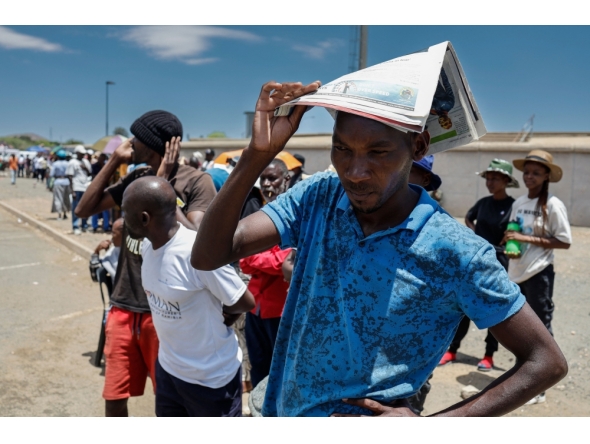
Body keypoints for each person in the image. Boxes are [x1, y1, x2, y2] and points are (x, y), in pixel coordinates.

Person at [191, 80, 568, 417]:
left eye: (378, 152)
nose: (355, 171)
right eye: (342, 149)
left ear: (417, 147)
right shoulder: (320, 196)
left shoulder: (456, 251)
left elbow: (546, 362)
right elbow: (208, 254)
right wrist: (257, 155)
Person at [74, 110, 217, 417]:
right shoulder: (136, 178)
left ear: (151, 146)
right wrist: (114, 161)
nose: (130, 143)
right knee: (114, 399)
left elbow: (199, 243)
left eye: (135, 138)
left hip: (167, 314)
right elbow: (83, 209)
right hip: (124, 307)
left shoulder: (197, 181)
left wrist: (161, 183)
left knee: (168, 403)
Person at [120, 176, 254, 416]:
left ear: (144, 219)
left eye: (125, 212)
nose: (121, 219)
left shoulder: (197, 254)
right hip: (169, 371)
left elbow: (244, 301)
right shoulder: (149, 246)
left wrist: (222, 318)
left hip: (211, 381)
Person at [503, 150, 572, 405]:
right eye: (526, 172)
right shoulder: (519, 203)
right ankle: (526, 375)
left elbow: (564, 241)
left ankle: (541, 383)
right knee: (521, 328)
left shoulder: (553, 205)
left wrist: (524, 238)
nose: (529, 176)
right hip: (517, 272)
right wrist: (512, 241)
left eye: (536, 173)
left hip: (539, 273)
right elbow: (513, 232)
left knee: (541, 326)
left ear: (546, 177)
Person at [439, 159, 519, 372]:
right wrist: (475, 237)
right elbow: (468, 217)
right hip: (476, 261)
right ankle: (452, 350)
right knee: (464, 305)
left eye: (495, 178)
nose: (490, 182)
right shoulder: (483, 203)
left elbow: (518, 230)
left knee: (493, 309)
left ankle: (488, 356)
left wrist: (509, 239)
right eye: (488, 178)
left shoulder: (513, 206)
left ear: (506, 181)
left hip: (500, 262)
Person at [239, 159, 292, 388]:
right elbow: (244, 262)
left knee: (280, 371)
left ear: (286, 179)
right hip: (256, 308)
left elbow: (286, 261)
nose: (267, 184)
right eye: (264, 179)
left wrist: (256, 258)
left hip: (280, 311)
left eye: (273, 178)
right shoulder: (260, 214)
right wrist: (262, 260)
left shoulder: (295, 215)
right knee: (259, 368)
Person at [67, 146, 91, 235]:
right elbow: (70, 176)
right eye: (81, 153)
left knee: (85, 207)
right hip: (77, 187)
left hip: (85, 187)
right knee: (76, 207)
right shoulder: (72, 162)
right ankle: (75, 226)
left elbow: (89, 173)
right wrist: (72, 191)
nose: (82, 155)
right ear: (77, 153)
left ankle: (84, 225)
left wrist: (85, 168)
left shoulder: (86, 162)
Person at [91, 153, 111, 233]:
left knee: (105, 208)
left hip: (105, 188)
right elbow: (94, 177)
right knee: (95, 207)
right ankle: (94, 226)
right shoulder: (94, 166)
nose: (101, 160)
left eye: (103, 158)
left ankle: (106, 226)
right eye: (100, 158)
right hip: (96, 188)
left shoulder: (106, 166)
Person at [50, 150, 72, 220]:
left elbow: (51, 174)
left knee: (58, 198)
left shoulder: (55, 164)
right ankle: (65, 213)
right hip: (67, 182)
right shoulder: (68, 163)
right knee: (66, 198)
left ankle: (59, 215)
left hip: (58, 182)